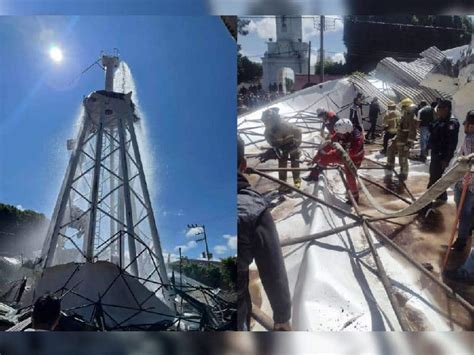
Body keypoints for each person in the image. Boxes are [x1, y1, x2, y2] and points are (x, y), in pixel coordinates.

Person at [237, 136, 292, 331]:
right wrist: (282, 316)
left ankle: (289, 183)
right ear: (243, 164)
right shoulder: (253, 208)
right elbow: (273, 269)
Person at [303, 118, 364, 203]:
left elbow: (353, 152)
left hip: (354, 158)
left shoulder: (357, 138)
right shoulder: (339, 134)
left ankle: (354, 197)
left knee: (350, 175)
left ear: (347, 132)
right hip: (341, 152)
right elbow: (327, 147)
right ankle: (314, 175)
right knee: (325, 158)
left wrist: (342, 150)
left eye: (340, 134)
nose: (338, 135)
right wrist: (315, 158)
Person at [259, 107, 302, 192]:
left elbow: (298, 132)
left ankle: (297, 185)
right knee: (282, 167)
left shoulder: (285, 125)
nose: (267, 123)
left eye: (268, 121)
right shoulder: (267, 132)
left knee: (295, 167)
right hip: (282, 149)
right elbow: (272, 144)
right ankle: (283, 185)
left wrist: (296, 143)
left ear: (273, 119)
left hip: (292, 147)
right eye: (265, 121)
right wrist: (274, 151)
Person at [449, 110, 474, 253]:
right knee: (467, 211)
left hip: (468, 184)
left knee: (463, 212)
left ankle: (461, 241)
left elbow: (469, 163)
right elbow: (461, 154)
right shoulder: (468, 137)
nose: (467, 127)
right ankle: (468, 229)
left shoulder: (471, 138)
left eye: (469, 124)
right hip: (464, 181)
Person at [427, 99, 459, 202]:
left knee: (435, 178)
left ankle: (427, 201)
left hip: (441, 156)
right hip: (436, 153)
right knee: (435, 176)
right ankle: (441, 196)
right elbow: (434, 134)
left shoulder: (451, 123)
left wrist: (446, 158)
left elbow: (451, 143)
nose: (437, 111)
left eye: (439, 108)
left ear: (446, 109)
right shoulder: (440, 120)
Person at [385, 98, 419, 182]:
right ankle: (390, 164)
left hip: (404, 141)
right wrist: (394, 138)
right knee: (390, 148)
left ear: (407, 107)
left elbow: (412, 132)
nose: (402, 108)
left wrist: (408, 144)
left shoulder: (411, 118)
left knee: (402, 157)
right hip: (398, 138)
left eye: (403, 106)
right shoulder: (404, 115)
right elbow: (400, 128)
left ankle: (404, 173)